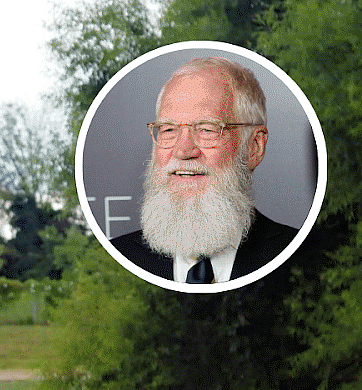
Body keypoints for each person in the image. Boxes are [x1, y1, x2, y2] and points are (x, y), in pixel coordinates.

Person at [110, 56, 298, 285]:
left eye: (207, 129)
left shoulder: (304, 258)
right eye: (168, 129)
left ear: (254, 147)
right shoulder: (114, 261)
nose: (183, 150)